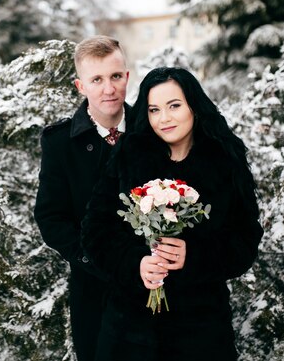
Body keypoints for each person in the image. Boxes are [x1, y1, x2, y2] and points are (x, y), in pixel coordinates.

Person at [81, 67, 263, 361]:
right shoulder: (130, 156)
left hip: (200, 332)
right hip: (129, 331)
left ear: (194, 105)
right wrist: (135, 263)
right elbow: (95, 229)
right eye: (154, 109)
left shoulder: (223, 161)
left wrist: (194, 256)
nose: (163, 118)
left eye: (174, 106)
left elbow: (245, 238)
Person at [34, 36, 131, 361]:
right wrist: (92, 258)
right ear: (81, 85)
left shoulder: (154, 130)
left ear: (127, 77)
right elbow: (51, 217)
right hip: (94, 290)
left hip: (159, 287)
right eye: (97, 79)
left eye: (115, 76)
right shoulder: (60, 143)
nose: (109, 89)